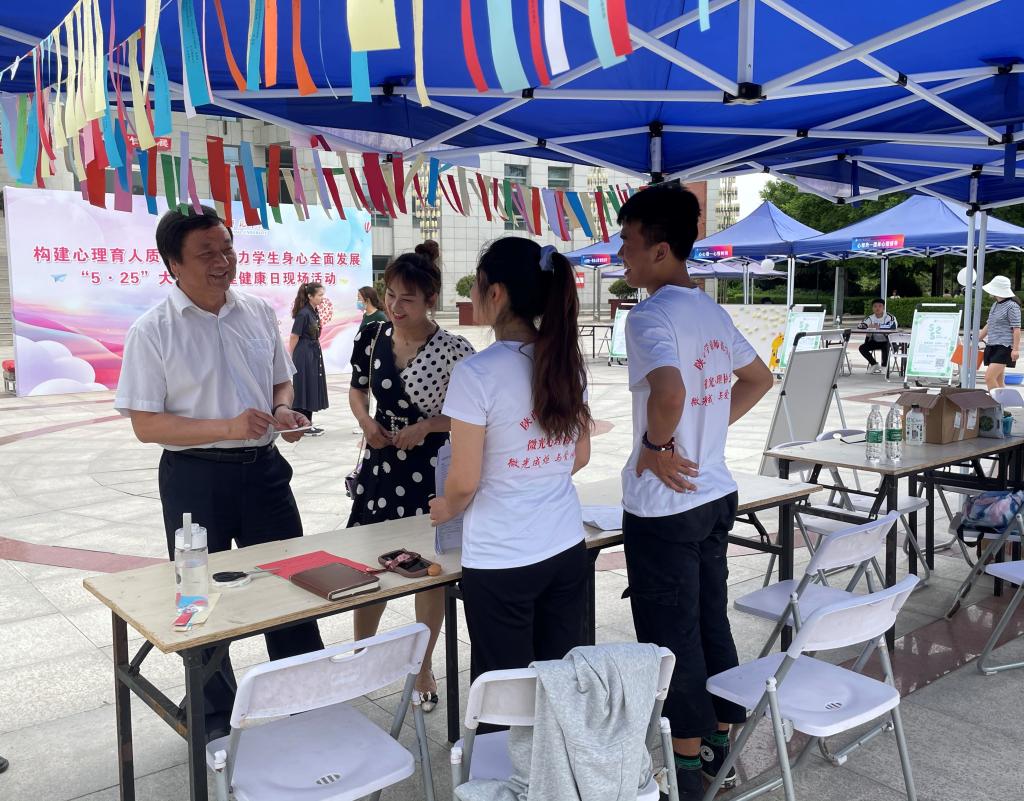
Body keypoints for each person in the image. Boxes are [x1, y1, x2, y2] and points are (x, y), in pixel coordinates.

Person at [114, 206, 324, 740]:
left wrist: (282, 410)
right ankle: (212, 712)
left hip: (265, 473)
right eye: (206, 252)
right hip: (194, 479)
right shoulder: (153, 331)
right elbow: (145, 424)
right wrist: (227, 427)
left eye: (227, 248)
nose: (223, 261)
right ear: (173, 264)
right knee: (199, 594)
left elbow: (280, 381)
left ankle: (306, 697)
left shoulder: (255, 312)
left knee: (293, 582)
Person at [614, 184, 773, 800]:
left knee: (670, 635)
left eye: (627, 242)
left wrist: (657, 447)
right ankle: (717, 747)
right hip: (713, 495)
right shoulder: (710, 309)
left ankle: (686, 774)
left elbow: (671, 392)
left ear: (659, 250)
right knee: (709, 619)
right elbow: (758, 378)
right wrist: (706, 434)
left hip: (665, 507)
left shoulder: (649, 315)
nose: (620, 254)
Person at [429, 237, 592, 690]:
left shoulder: (477, 373)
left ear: (496, 293)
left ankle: (504, 743)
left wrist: (446, 507)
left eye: (477, 285)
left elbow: (464, 480)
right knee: (558, 686)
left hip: (502, 559)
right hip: (565, 547)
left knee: (503, 692)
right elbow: (579, 455)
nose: (473, 294)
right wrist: (535, 476)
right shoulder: (566, 362)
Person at [347, 252, 474, 711]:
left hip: (429, 468)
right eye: (391, 296)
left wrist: (427, 426)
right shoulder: (372, 335)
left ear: (431, 300)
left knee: (428, 572)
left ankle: (423, 666)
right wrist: (366, 423)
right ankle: (361, 655)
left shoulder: (454, 351)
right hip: (380, 466)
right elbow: (357, 389)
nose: (396, 307)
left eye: (408, 300)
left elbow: (470, 414)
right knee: (368, 566)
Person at [289, 282, 329, 436]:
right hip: (304, 354)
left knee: (310, 387)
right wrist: (291, 358)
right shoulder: (304, 313)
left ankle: (307, 424)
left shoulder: (314, 311)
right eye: (319, 295)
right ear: (310, 296)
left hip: (312, 352)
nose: (322, 298)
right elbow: (294, 336)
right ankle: (302, 426)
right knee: (303, 388)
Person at [979, 275, 1021, 391]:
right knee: (998, 380)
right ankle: (1002, 402)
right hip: (993, 345)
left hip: (1004, 347)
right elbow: (989, 323)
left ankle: (996, 402)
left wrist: (1015, 349)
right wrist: (978, 338)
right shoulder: (995, 304)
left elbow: (1016, 329)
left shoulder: (1012, 306)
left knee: (989, 378)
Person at [857, 299, 898, 374]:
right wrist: (867, 326)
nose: (877, 308)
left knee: (886, 346)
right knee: (862, 348)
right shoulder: (870, 318)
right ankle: (874, 364)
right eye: (875, 306)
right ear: (872, 308)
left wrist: (879, 326)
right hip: (875, 341)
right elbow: (860, 325)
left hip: (888, 342)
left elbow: (892, 326)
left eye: (880, 306)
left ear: (883, 307)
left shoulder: (889, 317)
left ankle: (884, 367)